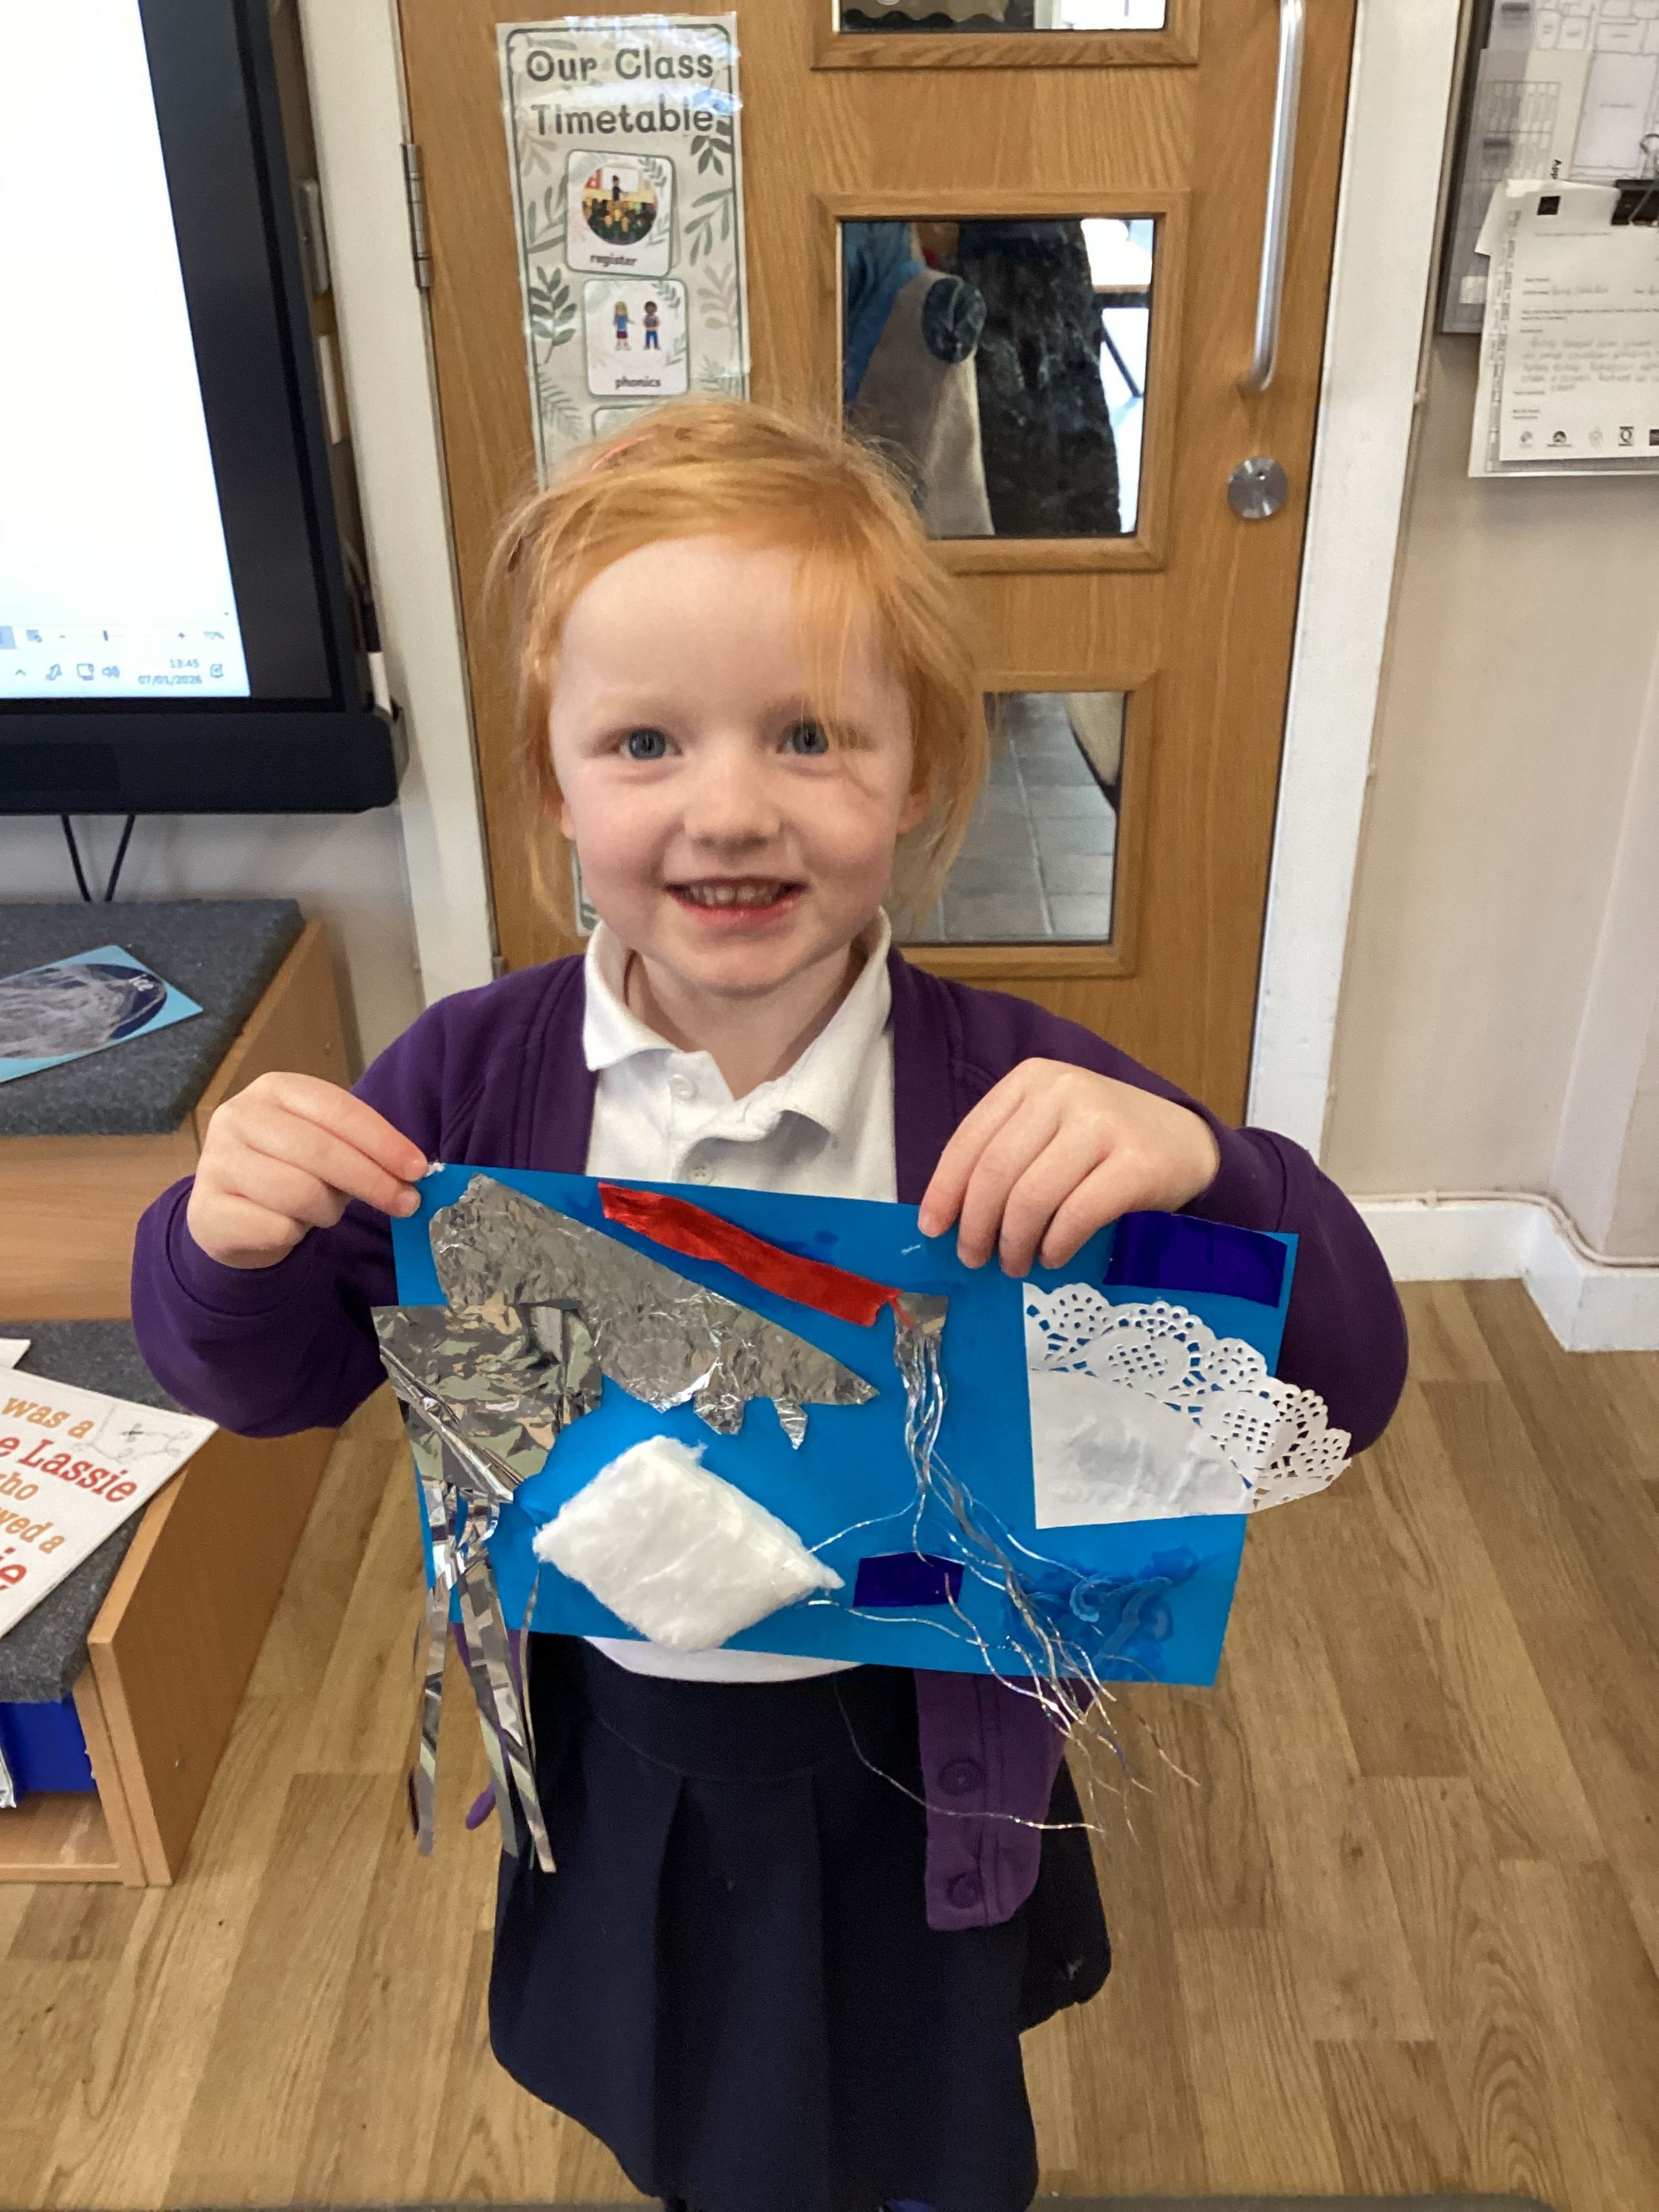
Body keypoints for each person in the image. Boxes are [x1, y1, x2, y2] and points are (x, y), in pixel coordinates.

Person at [131, 400, 1407, 2212]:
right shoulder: (468, 1090)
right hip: (625, 1745)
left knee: (924, 2126)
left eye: (809, 735)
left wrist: (1218, 1172)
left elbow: (1335, 1396)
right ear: (555, 784)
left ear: (919, 771)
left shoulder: (1025, 1103)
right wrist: (221, 1240)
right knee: (688, 2104)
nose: (730, 808)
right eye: (645, 741)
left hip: (917, 1756)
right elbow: (265, 1376)